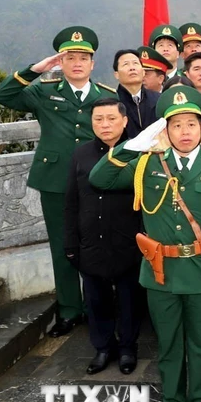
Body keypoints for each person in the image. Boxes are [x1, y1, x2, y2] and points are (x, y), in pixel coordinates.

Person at [89, 85, 201, 402]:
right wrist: (131, 146)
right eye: (176, 125)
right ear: (165, 130)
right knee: (170, 345)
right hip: (161, 273)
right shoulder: (147, 165)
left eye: (191, 123)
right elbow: (100, 179)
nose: (184, 132)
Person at [0, 26, 117, 337]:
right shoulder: (44, 92)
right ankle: (69, 309)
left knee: (95, 245)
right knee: (63, 247)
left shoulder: (107, 96)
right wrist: (35, 70)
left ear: (92, 63)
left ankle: (96, 307)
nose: (77, 62)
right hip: (55, 180)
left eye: (83, 57)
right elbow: (3, 94)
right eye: (70, 57)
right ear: (60, 62)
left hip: (95, 181)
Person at [64, 98, 144, 375]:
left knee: (129, 298)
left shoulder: (139, 152)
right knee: (96, 299)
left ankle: (127, 348)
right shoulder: (81, 154)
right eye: (98, 119)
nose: (105, 124)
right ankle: (102, 347)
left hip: (128, 241)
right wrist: (71, 243)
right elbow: (71, 201)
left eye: (111, 118)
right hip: (91, 241)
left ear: (124, 121)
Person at [113, 49, 160, 138]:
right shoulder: (112, 102)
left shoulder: (158, 99)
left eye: (135, 63)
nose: (132, 68)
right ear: (116, 74)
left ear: (143, 72)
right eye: (126, 64)